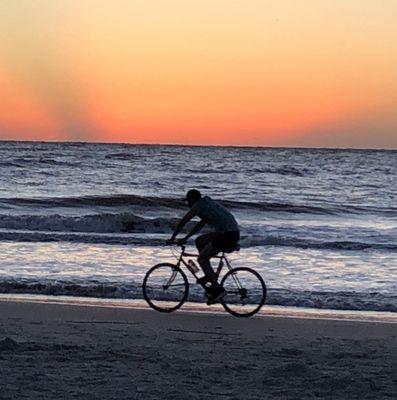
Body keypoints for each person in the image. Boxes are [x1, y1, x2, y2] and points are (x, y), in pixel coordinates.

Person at [167, 189, 240, 304]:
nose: (188, 204)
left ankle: (217, 289)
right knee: (199, 241)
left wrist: (172, 237)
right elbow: (200, 225)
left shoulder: (198, 206)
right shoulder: (206, 204)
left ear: (192, 200)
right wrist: (186, 238)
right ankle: (209, 275)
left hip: (226, 235)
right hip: (230, 233)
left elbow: (183, 221)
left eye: (188, 202)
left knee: (202, 259)